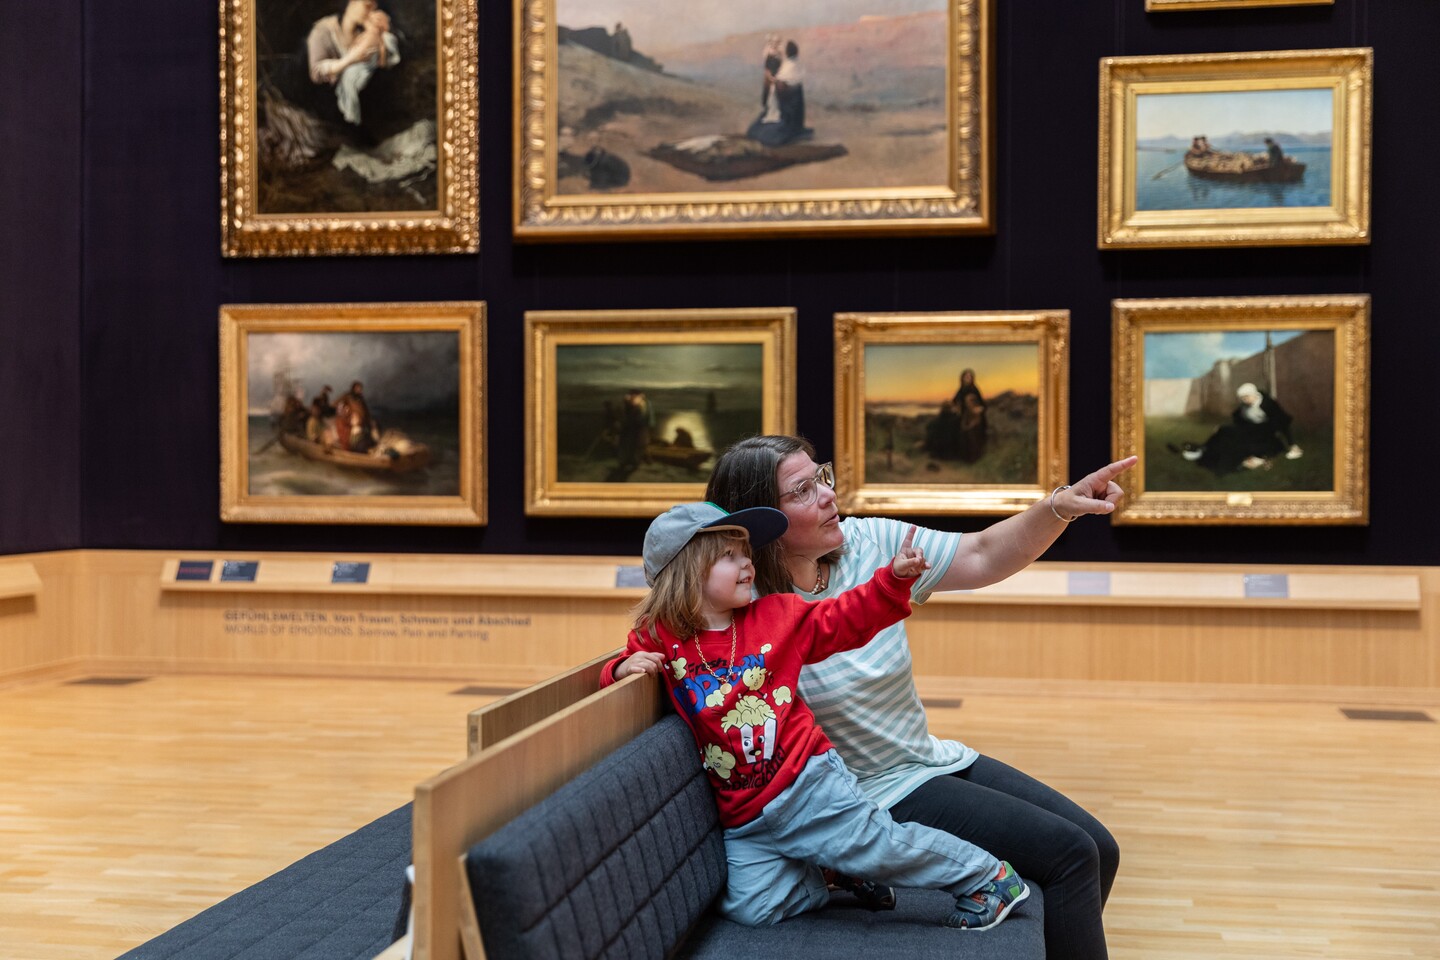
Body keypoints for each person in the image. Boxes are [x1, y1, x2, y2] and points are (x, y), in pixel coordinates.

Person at [675, 435, 1133, 960]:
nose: (827, 495)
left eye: (821, 476)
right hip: (867, 793)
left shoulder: (868, 543)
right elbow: (670, 634)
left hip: (925, 759)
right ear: (762, 519)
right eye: (802, 490)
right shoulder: (741, 610)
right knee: (1071, 855)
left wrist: (1058, 507)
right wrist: (629, 663)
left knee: (1099, 848)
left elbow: (981, 554)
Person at [605, 502, 1032, 931]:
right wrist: (621, 669)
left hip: (808, 782)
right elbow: (620, 664)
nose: (747, 564)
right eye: (728, 556)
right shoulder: (659, 634)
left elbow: (844, 617)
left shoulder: (777, 616)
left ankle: (987, 876)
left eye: (745, 553)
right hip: (744, 812)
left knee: (881, 844)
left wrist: (893, 579)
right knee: (752, 907)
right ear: (685, 570)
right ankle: (832, 873)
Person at [1171, 382, 1302, 474]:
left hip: (1266, 433)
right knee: (1223, 431)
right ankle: (1203, 449)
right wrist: (1224, 428)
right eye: (1242, 398)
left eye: (1247, 397)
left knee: (1243, 448)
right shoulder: (1243, 407)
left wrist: (1292, 444)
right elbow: (1238, 421)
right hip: (1249, 430)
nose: (1245, 400)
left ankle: (1231, 460)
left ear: (1254, 394)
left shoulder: (1267, 404)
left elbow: (1282, 423)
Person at [306, 0, 402, 127]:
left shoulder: (365, 33)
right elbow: (316, 73)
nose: (371, 14)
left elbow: (383, 65)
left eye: (374, 9)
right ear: (352, 2)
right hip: (327, 115)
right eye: (367, 7)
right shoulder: (323, 31)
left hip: (368, 113)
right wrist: (350, 59)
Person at [747, 41, 808, 147]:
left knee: (762, 130)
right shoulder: (796, 65)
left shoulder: (787, 67)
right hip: (793, 105)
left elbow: (781, 83)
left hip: (786, 108)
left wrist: (772, 80)